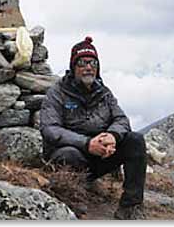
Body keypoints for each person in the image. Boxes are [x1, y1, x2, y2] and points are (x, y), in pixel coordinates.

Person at [40, 36, 147, 220]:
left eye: (93, 63)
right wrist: (87, 143)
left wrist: (113, 136)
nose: (88, 67)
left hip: (100, 156)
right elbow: (50, 129)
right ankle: (72, 202)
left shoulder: (104, 93)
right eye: (82, 63)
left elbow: (121, 119)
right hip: (70, 156)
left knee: (135, 140)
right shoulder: (57, 93)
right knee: (69, 154)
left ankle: (130, 206)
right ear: (73, 67)